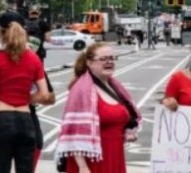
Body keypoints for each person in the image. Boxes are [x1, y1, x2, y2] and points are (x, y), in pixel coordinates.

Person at [55, 43, 140, 173]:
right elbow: (72, 132)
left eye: (112, 58)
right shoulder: (81, 90)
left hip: (114, 157)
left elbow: (123, 118)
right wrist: (82, 167)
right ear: (89, 63)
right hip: (91, 163)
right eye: (103, 59)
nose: (109, 62)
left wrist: (129, 130)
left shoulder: (116, 88)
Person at [0, 12, 50, 173]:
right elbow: (44, 94)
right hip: (26, 119)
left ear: (0, 31)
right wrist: (25, 98)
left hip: (2, 118)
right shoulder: (33, 58)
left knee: (0, 168)